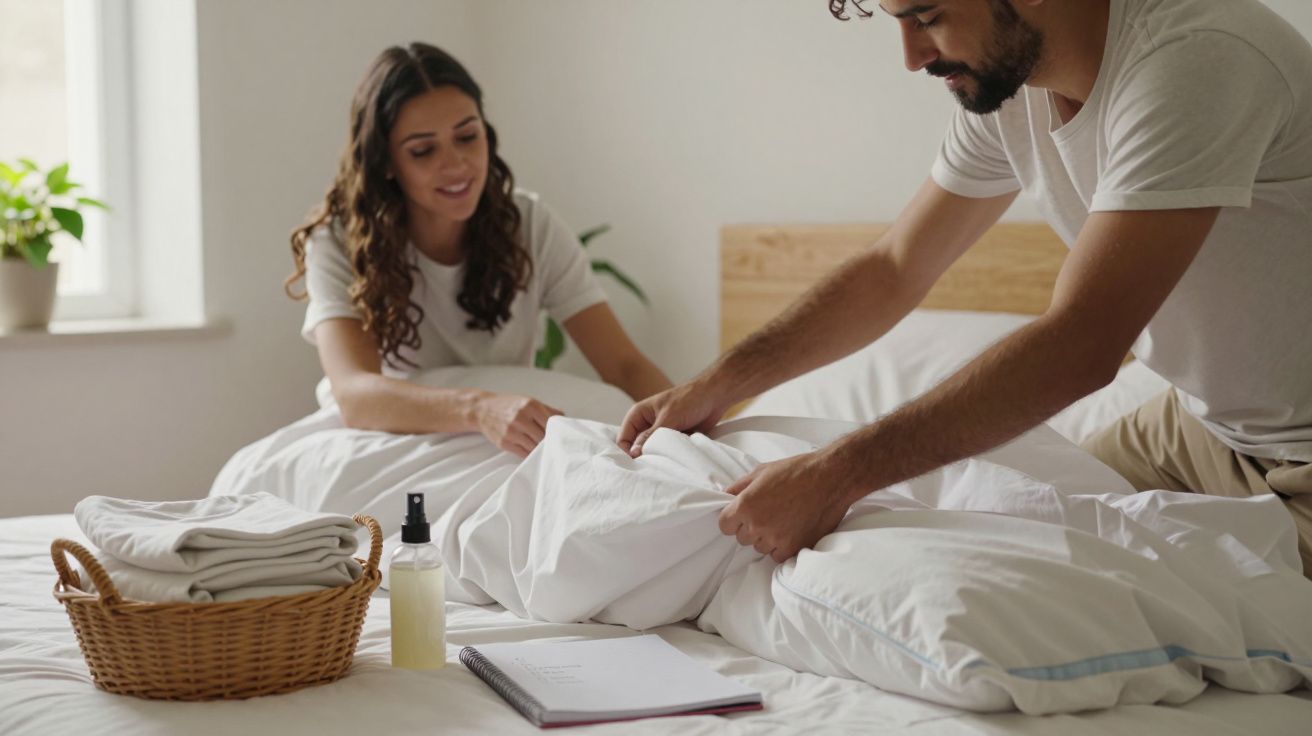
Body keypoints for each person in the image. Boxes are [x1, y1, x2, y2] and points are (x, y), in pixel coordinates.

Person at [619, 0, 1312, 576]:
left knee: (1083, 599)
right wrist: (717, 384)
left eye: (927, 15)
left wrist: (837, 473)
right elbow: (894, 267)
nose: (911, 56)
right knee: (1003, 533)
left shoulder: (1196, 60)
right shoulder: (1013, 94)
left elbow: (1083, 340)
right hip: (1201, 429)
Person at [288, 42, 671, 457]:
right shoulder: (338, 241)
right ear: (385, 162)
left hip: (506, 432)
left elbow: (624, 366)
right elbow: (356, 394)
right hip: (392, 435)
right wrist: (479, 407)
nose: (456, 164)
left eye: (467, 136)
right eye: (423, 150)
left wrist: (700, 430)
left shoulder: (530, 226)